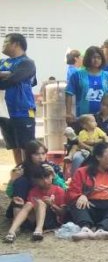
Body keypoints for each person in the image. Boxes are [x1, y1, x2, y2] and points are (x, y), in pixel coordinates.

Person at [67, 142, 108, 237]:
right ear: (98, 157)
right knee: (76, 204)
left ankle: (102, 229)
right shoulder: (82, 171)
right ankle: (85, 228)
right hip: (90, 204)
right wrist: (80, 196)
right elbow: (71, 192)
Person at [0, 32, 38, 166]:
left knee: (27, 146)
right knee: (14, 145)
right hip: (5, 112)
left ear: (15, 44)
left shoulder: (27, 63)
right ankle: (19, 171)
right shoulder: (3, 62)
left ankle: (30, 172)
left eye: (6, 42)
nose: (3, 45)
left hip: (23, 111)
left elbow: (12, 80)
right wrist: (6, 73)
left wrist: (8, 75)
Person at [5, 162, 66, 242]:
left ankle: (38, 230)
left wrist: (52, 204)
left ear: (52, 176)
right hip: (35, 220)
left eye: (47, 177)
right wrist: (21, 205)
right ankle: (12, 231)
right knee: (29, 204)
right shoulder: (34, 191)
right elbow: (30, 208)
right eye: (41, 179)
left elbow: (64, 213)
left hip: (51, 221)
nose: (45, 181)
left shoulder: (59, 190)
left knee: (40, 203)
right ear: (36, 181)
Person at [66, 46, 108, 119]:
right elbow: (68, 93)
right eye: (93, 57)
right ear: (88, 58)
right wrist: (68, 113)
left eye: (99, 58)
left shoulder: (107, 76)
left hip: (104, 119)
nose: (96, 60)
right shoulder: (77, 75)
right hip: (83, 119)